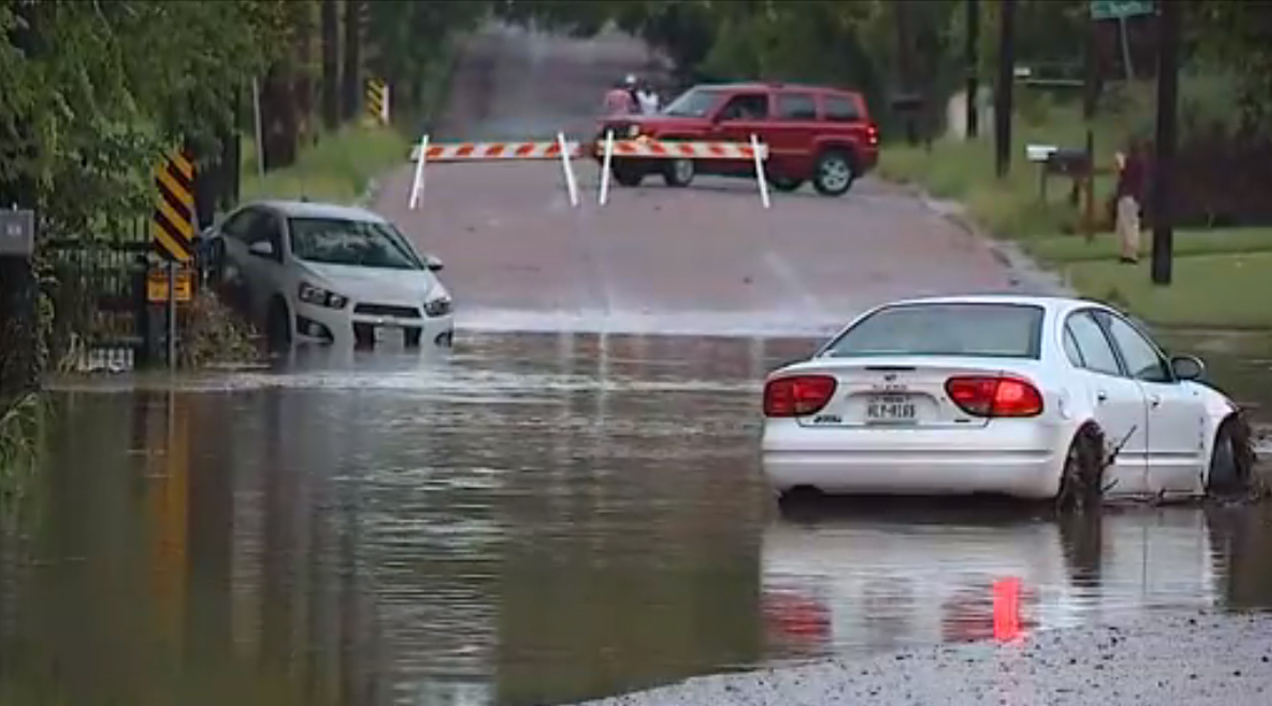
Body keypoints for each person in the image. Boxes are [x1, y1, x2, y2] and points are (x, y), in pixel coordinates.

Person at [1113, 139, 1148, 264]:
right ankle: (1129, 252)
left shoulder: (1130, 162)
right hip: (1135, 197)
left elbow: (1122, 173)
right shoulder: (1142, 162)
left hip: (1126, 196)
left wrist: (1119, 161)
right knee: (1132, 225)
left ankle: (1129, 253)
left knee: (1125, 225)